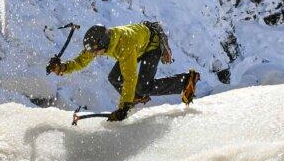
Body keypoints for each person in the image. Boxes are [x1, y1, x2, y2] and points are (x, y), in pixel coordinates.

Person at [47, 21, 199, 121]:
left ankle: (185, 81)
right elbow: (81, 61)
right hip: (138, 45)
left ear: (103, 45)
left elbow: (130, 78)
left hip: (151, 46)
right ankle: (135, 97)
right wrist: (62, 68)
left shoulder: (123, 45)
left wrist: (123, 108)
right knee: (114, 78)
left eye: (95, 51)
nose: (93, 54)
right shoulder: (100, 42)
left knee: (143, 86)